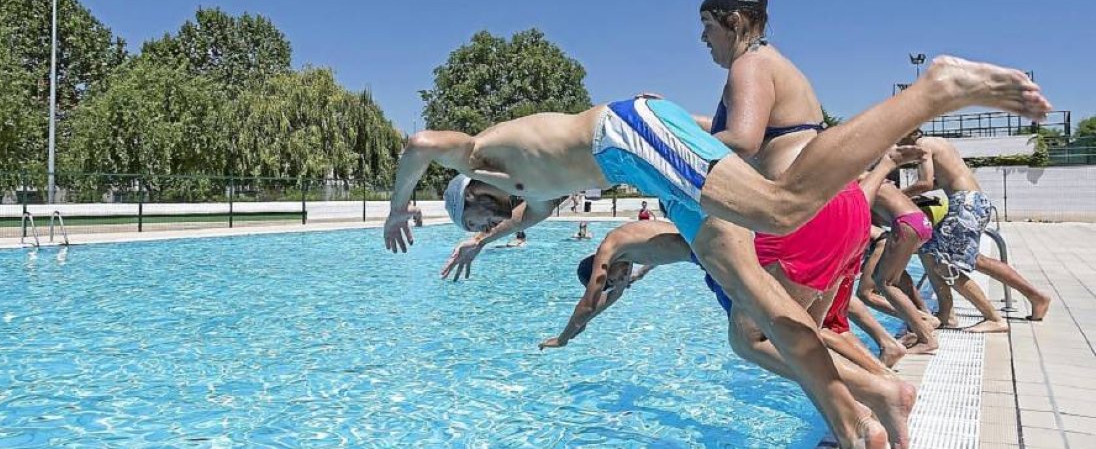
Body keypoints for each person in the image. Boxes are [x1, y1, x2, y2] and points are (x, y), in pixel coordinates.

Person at [382, 56, 1048, 449]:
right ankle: (865, 419)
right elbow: (523, 217)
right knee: (756, 309)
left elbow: (418, 145)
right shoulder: (531, 195)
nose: (488, 218)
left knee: (780, 208)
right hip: (653, 176)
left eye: (476, 212)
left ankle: (934, 87)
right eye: (478, 220)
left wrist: (396, 205)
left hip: (626, 134)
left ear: (472, 189)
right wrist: (480, 244)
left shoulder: (482, 154)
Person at [540, 219, 914, 443]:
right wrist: (628, 283)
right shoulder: (628, 257)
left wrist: (565, 336)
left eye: (611, 280)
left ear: (600, 269)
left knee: (760, 342)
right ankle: (859, 404)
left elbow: (589, 303)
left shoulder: (612, 245)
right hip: (716, 262)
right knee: (801, 334)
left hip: (725, 259)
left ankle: (875, 394)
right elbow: (615, 293)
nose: (618, 284)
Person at [695, 0, 876, 383]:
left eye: (708, 26)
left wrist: (668, 153)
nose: (703, 38)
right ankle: (864, 412)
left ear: (733, 21)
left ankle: (883, 394)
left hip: (805, 211)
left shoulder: (749, 65)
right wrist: (669, 120)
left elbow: (743, 140)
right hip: (842, 203)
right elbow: (757, 129)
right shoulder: (776, 64)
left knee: (750, 337)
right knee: (807, 338)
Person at [903, 133, 1052, 331]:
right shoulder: (939, 142)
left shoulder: (923, 145)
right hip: (975, 202)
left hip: (964, 204)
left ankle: (993, 318)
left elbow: (925, 183)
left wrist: (896, 195)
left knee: (943, 263)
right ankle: (947, 313)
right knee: (930, 251)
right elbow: (943, 179)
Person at [869, 182, 938, 353]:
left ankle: (926, 338)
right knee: (891, 277)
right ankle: (922, 319)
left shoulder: (860, 183)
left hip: (906, 223)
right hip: (920, 220)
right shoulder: (876, 180)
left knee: (885, 283)